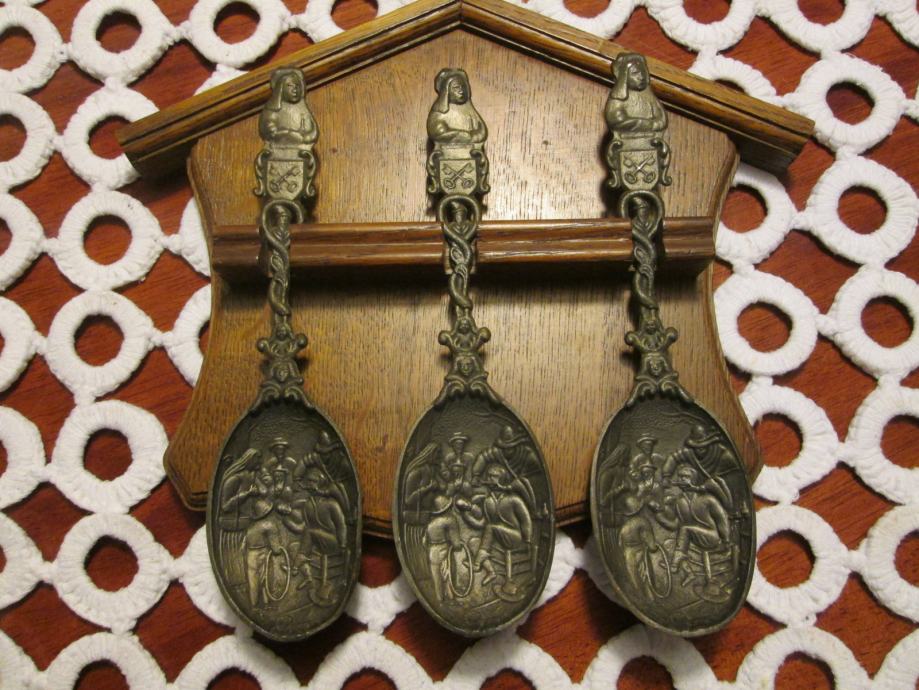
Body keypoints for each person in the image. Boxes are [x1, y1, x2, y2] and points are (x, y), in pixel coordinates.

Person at [463, 464, 534, 586]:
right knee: (473, 542)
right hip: (497, 535)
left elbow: (526, 520)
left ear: (502, 479)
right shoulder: (488, 501)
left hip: (514, 536)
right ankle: (491, 572)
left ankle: (476, 564)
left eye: (493, 476)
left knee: (491, 528)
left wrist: (527, 540)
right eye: (488, 476)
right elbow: (483, 524)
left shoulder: (513, 499)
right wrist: (466, 515)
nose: (488, 479)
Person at [259, 68, 318, 148]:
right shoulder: (272, 110)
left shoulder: (303, 110)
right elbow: (270, 131)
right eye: (290, 85)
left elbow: (311, 131)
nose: (295, 89)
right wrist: (289, 135)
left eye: (297, 86)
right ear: (281, 88)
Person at [427, 69, 487, 146]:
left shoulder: (470, 111)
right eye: (456, 87)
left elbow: (482, 132)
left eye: (463, 87)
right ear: (446, 91)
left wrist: (463, 136)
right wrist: (465, 135)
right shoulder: (439, 112)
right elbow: (437, 133)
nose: (461, 91)